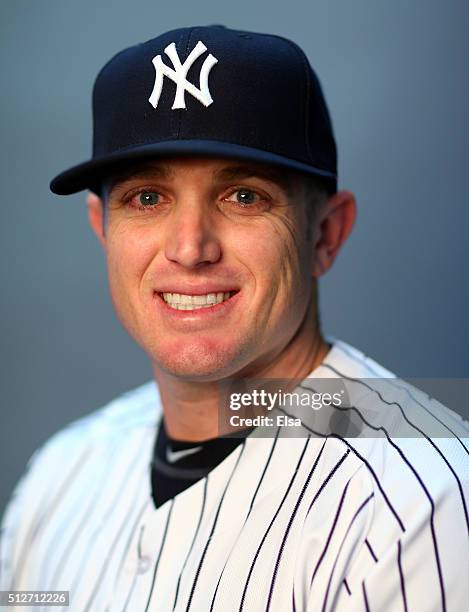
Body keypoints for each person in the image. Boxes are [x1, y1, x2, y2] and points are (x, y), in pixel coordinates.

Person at [0, 24, 467, 612]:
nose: (191, 248)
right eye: (147, 198)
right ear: (104, 228)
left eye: (243, 196)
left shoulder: (421, 506)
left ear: (324, 234)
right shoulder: (61, 475)